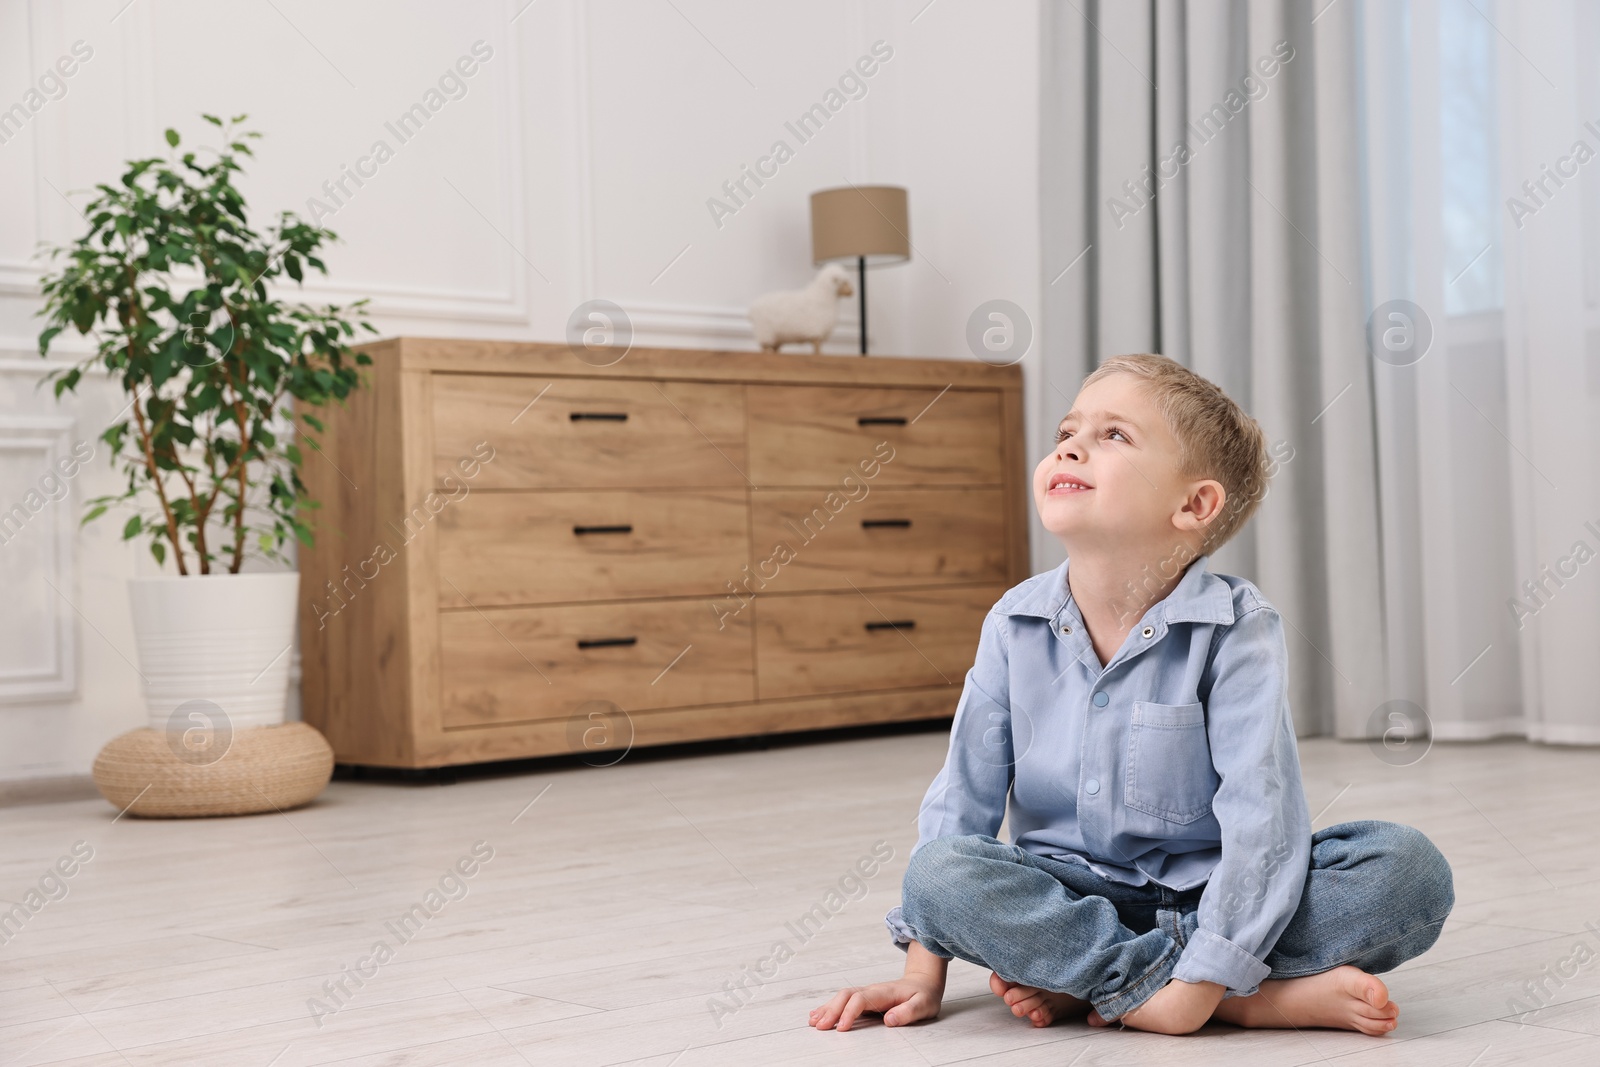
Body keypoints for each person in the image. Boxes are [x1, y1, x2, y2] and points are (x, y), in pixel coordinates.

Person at [809, 354, 1454, 1037]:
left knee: (1407, 872)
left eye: (1113, 434)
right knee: (941, 874)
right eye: (1068, 428)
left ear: (1194, 504)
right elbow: (960, 799)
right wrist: (920, 973)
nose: (1070, 444)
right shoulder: (1012, 624)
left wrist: (1206, 968)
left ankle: (1130, 981)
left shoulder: (1239, 629)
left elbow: (1262, 818)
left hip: (1212, 891)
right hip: (1067, 896)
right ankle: (1226, 996)